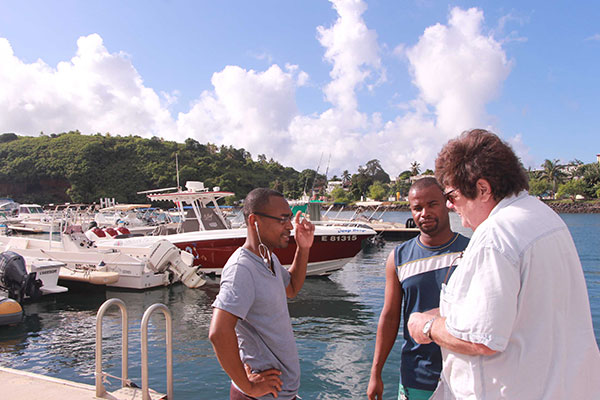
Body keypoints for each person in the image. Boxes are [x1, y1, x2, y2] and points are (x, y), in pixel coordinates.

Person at [408, 129, 600, 399]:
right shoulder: (545, 217)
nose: (449, 205)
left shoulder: (495, 236)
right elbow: (519, 307)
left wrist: (426, 326)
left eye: (451, 195)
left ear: (483, 189)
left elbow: (481, 339)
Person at [368, 177, 469, 400]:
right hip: (417, 376)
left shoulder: (471, 252)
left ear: (447, 204)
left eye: (432, 204)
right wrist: (376, 373)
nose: (424, 213)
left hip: (466, 375)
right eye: (417, 208)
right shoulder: (399, 258)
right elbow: (390, 317)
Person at [209, 188, 315, 400]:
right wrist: (249, 386)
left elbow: (292, 288)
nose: (289, 226)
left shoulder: (268, 259)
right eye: (282, 219)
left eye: (290, 218)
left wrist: (303, 248)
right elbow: (219, 333)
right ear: (254, 220)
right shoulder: (242, 269)